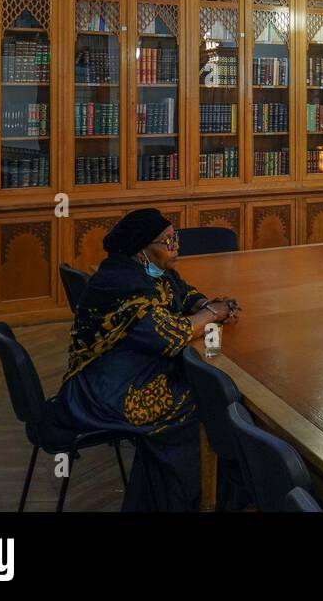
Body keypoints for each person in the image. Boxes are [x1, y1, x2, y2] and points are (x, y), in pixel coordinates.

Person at [55, 208, 240, 511]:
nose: (175, 246)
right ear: (142, 249)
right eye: (167, 242)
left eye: (175, 238)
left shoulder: (149, 270)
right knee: (197, 403)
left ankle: (170, 493)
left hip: (127, 369)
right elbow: (172, 335)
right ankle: (188, 499)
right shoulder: (123, 284)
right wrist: (212, 314)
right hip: (102, 388)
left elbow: (183, 292)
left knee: (201, 392)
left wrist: (205, 304)